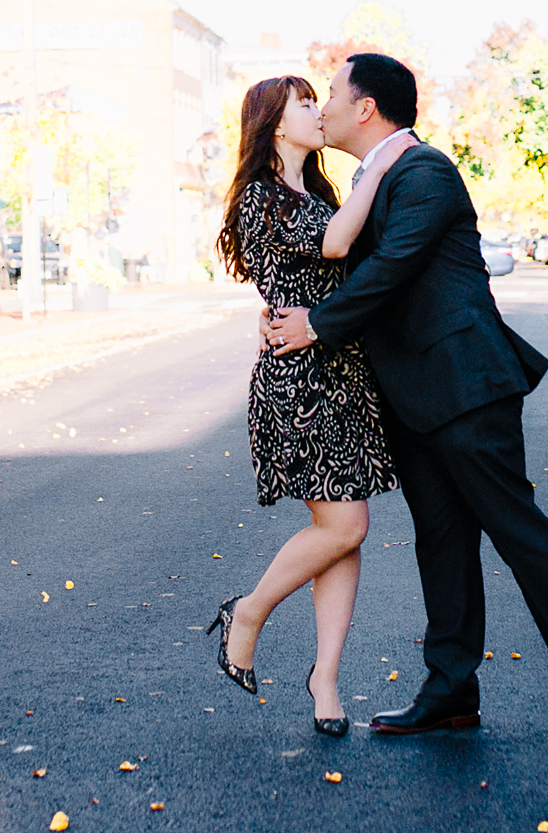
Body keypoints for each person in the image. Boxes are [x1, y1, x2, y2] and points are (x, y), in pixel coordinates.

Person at [263, 53, 548, 749]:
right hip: (414, 395)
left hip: (466, 385)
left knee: (518, 532)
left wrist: (317, 325)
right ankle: (450, 689)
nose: (325, 106)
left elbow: (390, 270)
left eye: (333, 94)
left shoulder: (425, 172)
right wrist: (283, 310)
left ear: (366, 109)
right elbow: (337, 263)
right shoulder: (366, 182)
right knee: (443, 543)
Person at [207, 75, 413, 736]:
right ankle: (248, 613)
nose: (318, 111)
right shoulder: (262, 197)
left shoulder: (316, 192)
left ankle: (325, 677)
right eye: (304, 103)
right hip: (299, 382)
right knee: (344, 526)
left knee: (342, 532)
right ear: (273, 123)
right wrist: (383, 162)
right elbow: (336, 244)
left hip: (342, 375)